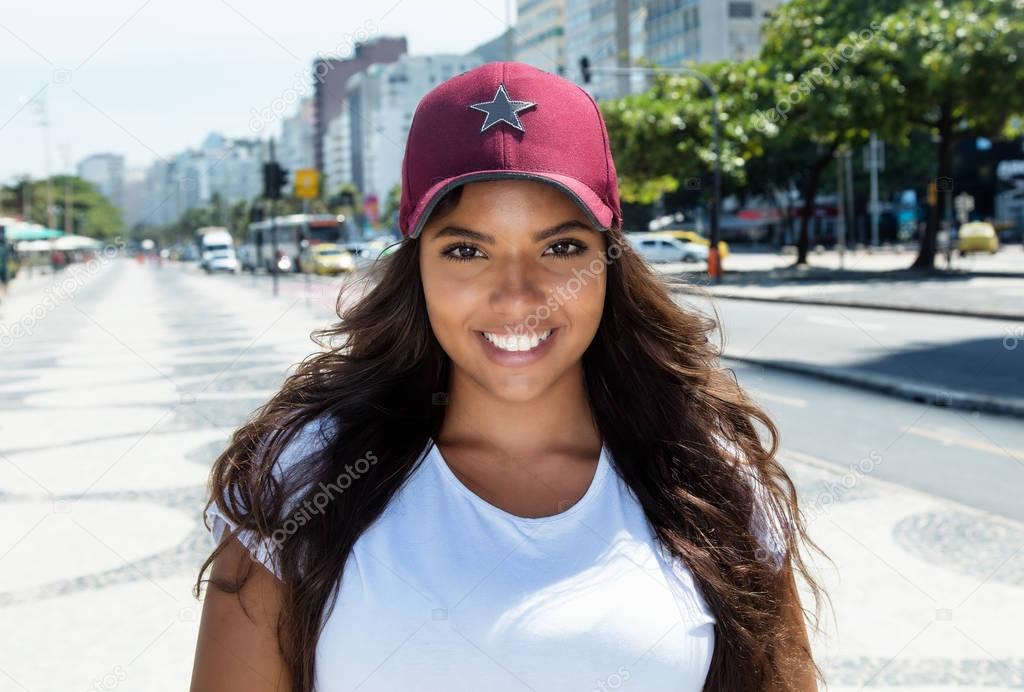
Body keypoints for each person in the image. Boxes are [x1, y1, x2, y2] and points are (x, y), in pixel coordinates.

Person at [191, 61, 823, 692]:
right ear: (416, 269)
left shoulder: (710, 475)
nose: (518, 297)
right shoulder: (304, 476)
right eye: (467, 251)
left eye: (561, 248)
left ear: (609, 261)